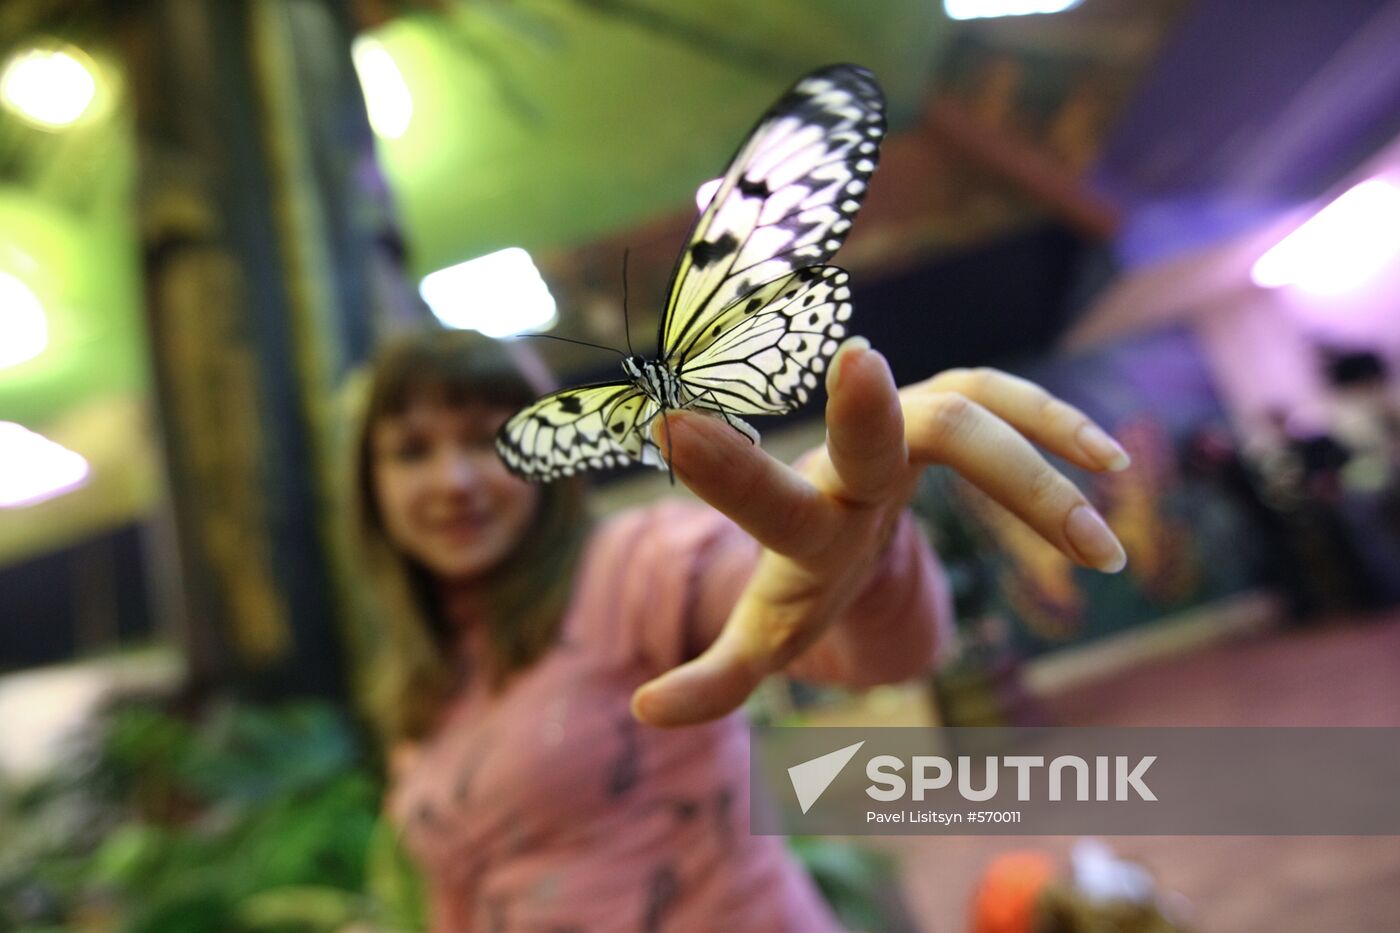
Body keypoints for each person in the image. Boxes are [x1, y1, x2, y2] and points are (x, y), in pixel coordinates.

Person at [342, 326, 1130, 931]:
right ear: (370, 486)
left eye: (487, 437)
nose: (451, 480)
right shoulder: (419, 678)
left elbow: (871, 642)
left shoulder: (638, 563)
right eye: (412, 450)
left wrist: (863, 550)